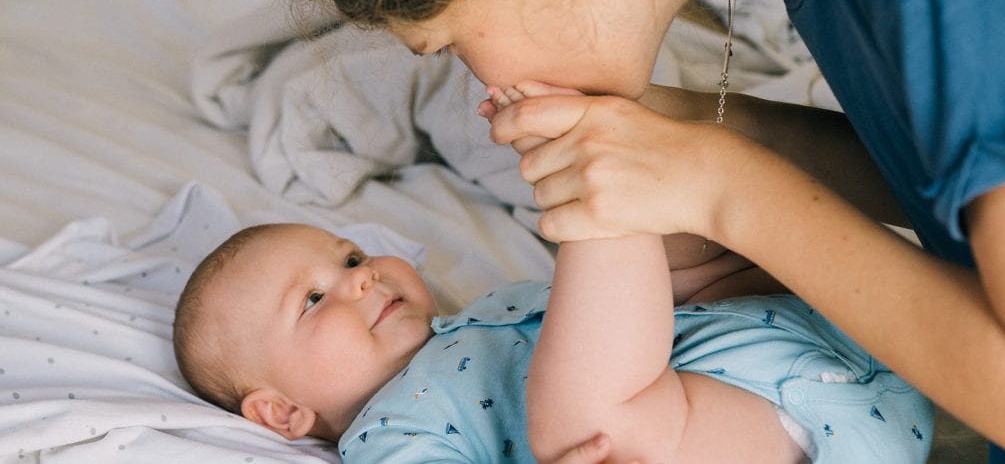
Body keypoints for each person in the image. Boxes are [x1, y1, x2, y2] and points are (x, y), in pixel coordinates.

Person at [289, 0, 1005, 459]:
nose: (483, 81)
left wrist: (725, 189)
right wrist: (708, 135)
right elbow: (960, 182)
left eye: (450, 43)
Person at [172, 218, 932, 463]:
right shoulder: (387, 432)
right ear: (281, 414)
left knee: (668, 248)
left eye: (349, 258)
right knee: (602, 418)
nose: (361, 278)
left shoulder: (486, 309)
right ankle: (611, 203)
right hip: (754, 433)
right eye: (313, 299)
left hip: (834, 351)